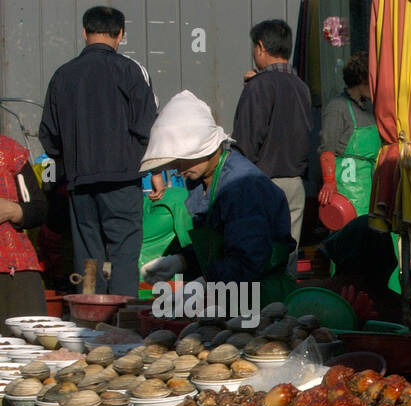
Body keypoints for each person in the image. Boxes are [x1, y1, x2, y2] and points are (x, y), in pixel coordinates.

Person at [39, 6, 157, 296]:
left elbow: (49, 136)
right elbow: (147, 127)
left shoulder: (62, 76)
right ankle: (123, 326)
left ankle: (90, 321)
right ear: (120, 35)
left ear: (84, 32)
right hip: (123, 180)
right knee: (124, 254)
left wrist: (71, 159)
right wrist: (149, 167)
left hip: (80, 183)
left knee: (88, 256)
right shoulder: (131, 71)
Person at [139, 91, 295, 304]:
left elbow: (247, 259)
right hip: (227, 294)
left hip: (261, 297)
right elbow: (217, 244)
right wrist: (181, 261)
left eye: (182, 160)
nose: (177, 169)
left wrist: (202, 284)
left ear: (204, 148)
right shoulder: (199, 180)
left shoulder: (242, 187)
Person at [233, 19, 311, 265]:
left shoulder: (258, 86)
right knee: (288, 257)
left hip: (261, 183)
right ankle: (285, 301)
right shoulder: (302, 87)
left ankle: (260, 304)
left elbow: (246, 140)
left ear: (260, 47)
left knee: (258, 256)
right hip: (295, 184)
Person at [319, 51, 379, 222]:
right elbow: (327, 149)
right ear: (361, 79)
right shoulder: (337, 107)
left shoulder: (369, 109)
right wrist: (329, 181)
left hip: (370, 190)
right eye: (371, 80)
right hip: (347, 193)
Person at [0, 134, 49, 318]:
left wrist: (12, 210)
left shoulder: (9, 151)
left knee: (30, 337)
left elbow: (38, 208)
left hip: (15, 267)